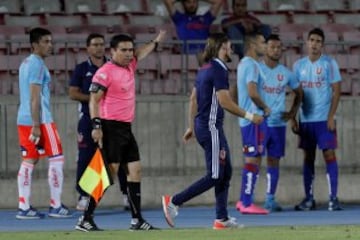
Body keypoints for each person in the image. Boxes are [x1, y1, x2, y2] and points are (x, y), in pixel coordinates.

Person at [161, 33, 264, 230]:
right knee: (216, 175)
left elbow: (193, 99)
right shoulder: (218, 68)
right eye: (229, 46)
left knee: (225, 172)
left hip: (204, 126)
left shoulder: (204, 69)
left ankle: (221, 219)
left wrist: (191, 126)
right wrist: (251, 116)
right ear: (221, 48)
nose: (232, 49)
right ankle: (174, 201)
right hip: (210, 127)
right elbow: (224, 101)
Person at [75, 30, 166, 232]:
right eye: (123, 50)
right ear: (113, 51)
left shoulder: (130, 65)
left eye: (130, 50)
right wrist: (96, 126)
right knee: (108, 174)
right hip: (110, 127)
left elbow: (141, 52)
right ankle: (85, 219)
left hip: (126, 128)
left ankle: (137, 220)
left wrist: (156, 42)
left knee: (135, 171)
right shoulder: (105, 72)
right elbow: (93, 100)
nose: (128, 54)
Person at [68, 33, 129, 212]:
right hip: (88, 119)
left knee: (121, 157)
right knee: (86, 157)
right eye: (95, 44)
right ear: (88, 48)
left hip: (113, 119)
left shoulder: (114, 67)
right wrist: (95, 98)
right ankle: (84, 195)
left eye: (102, 44)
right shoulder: (81, 69)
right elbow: (73, 93)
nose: (99, 48)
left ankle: (126, 194)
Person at [16, 27, 72, 219]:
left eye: (51, 41)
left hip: (22, 119)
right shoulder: (37, 64)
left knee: (29, 160)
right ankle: (55, 206)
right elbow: (34, 97)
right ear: (35, 44)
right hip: (41, 120)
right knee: (57, 158)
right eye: (45, 42)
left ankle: (24, 207)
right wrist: (37, 125)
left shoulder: (25, 63)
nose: (50, 45)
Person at [291, 28, 342, 211]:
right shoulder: (298, 66)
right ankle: (309, 199)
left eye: (318, 41)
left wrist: (330, 116)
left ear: (322, 44)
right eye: (311, 40)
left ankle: (333, 198)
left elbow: (337, 91)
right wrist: (293, 117)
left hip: (323, 119)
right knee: (308, 157)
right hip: (305, 120)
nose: (314, 43)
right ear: (307, 42)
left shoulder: (329, 64)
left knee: (329, 154)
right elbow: (296, 94)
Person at [259, 34, 303, 212]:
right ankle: (246, 199)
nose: (276, 50)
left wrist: (292, 113)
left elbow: (299, 93)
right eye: (272, 47)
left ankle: (270, 198)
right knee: (253, 159)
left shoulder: (286, 73)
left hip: (277, 124)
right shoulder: (257, 69)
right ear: (265, 48)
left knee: (273, 161)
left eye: (279, 47)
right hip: (259, 122)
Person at [235, 31, 270, 215]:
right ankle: (247, 202)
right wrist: (265, 108)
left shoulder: (244, 64)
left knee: (253, 157)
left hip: (247, 120)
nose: (265, 46)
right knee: (253, 158)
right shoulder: (252, 65)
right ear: (252, 45)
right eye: (263, 42)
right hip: (254, 119)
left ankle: (243, 200)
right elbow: (252, 92)